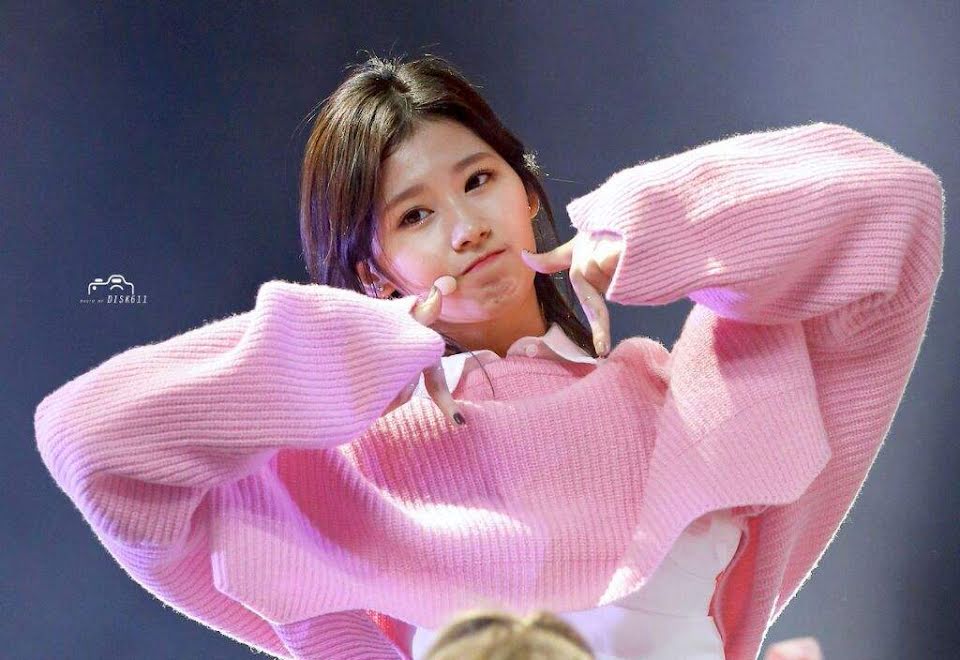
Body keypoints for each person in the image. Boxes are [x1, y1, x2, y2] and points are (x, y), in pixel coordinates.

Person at [33, 52, 943, 660]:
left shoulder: (680, 401)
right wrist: (363, 342)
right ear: (372, 271)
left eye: (479, 180)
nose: (467, 228)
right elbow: (90, 438)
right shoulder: (354, 473)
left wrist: (647, 227)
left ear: (527, 192)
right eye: (415, 216)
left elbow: (896, 203)